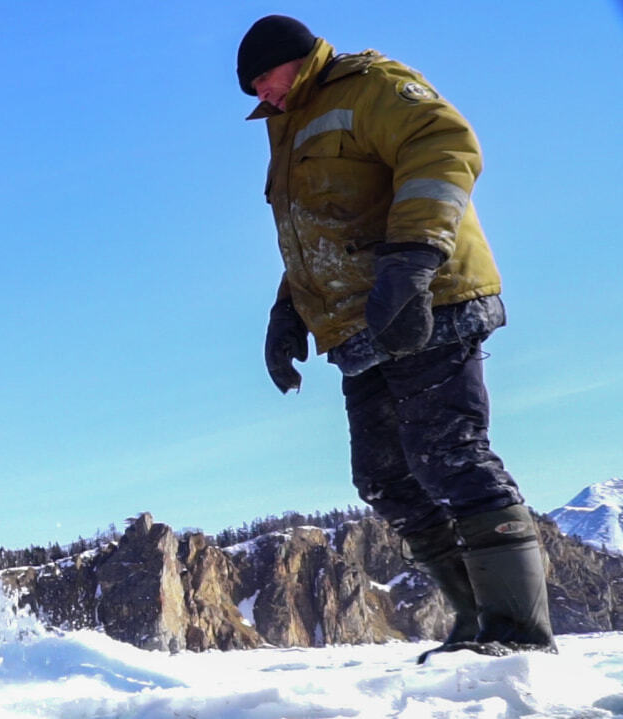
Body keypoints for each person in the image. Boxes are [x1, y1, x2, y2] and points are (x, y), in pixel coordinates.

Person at [237, 15, 555, 660]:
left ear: (293, 60)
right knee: (384, 475)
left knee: (450, 454)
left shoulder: (370, 86)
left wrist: (413, 257)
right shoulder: (290, 123)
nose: (259, 97)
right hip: (361, 324)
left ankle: (519, 635)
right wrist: (287, 312)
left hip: (427, 299)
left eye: (262, 82)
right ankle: (476, 622)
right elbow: (320, 230)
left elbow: (445, 144)